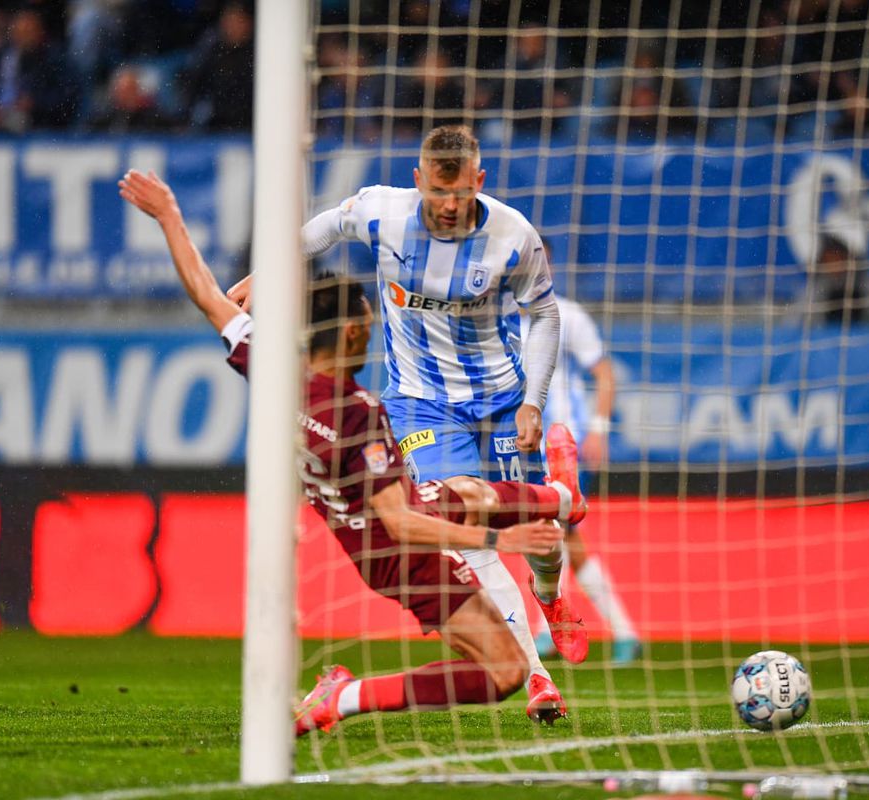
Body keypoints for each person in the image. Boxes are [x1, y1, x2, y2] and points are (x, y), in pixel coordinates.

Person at [117, 168, 588, 729]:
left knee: (473, 491)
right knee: (501, 662)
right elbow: (402, 523)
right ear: (352, 334)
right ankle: (350, 696)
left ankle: (563, 497)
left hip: (379, 526)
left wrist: (170, 217)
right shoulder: (359, 416)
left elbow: (206, 295)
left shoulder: (275, 373)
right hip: (404, 549)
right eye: (368, 320)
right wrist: (497, 539)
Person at [522, 241, 642, 665]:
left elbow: (604, 372)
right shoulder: (499, 320)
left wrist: (599, 429)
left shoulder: (567, 315)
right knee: (553, 535)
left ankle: (561, 631)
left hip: (561, 445)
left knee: (556, 532)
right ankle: (612, 631)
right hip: (522, 445)